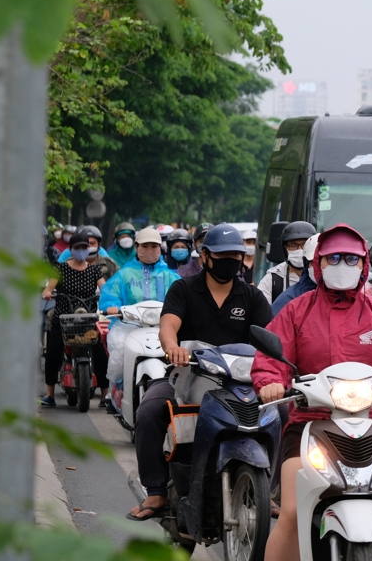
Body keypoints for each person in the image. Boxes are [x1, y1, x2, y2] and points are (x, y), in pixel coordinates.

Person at [253, 224, 372, 561]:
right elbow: (271, 357)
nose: (342, 265)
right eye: (333, 258)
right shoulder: (297, 309)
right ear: (318, 264)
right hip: (309, 422)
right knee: (292, 512)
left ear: (364, 265)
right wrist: (269, 381)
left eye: (351, 259)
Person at [127, 223, 272, 521]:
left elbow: (270, 339)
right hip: (188, 376)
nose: (230, 260)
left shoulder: (253, 298)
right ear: (204, 256)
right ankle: (156, 491)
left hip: (239, 383)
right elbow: (168, 326)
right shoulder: (183, 289)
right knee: (150, 411)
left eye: (236, 254)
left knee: (279, 415)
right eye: (223, 254)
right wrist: (173, 348)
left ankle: (268, 491)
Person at [39, 232, 106, 407]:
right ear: (70, 250)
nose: (82, 250)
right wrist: (47, 293)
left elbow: (105, 289)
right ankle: (50, 394)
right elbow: (49, 288)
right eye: (78, 248)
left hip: (88, 319)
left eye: (85, 247)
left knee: (100, 351)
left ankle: (105, 395)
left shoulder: (94, 270)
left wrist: (111, 299)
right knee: (53, 351)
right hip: (64, 319)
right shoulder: (60, 269)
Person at [99, 227, 180, 315]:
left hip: (164, 324)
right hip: (130, 324)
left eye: (154, 246)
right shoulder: (124, 275)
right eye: (144, 246)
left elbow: (182, 298)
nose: (149, 250)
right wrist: (112, 306)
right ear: (137, 247)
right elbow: (110, 295)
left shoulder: (171, 276)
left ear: (160, 248)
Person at [257, 220, 316, 304]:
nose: (299, 249)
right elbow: (261, 312)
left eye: (304, 244)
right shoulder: (272, 280)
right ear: (285, 248)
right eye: (293, 245)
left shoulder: (322, 277)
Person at [270, 233, 320, 317]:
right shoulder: (288, 300)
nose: (320, 267)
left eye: (333, 260)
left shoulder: (347, 299)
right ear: (306, 264)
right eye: (314, 262)